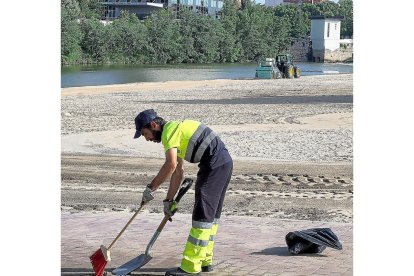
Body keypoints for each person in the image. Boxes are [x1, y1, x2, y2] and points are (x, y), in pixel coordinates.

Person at [134, 109, 233, 276]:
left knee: (202, 216)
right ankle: (204, 260)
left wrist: (151, 188)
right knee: (211, 217)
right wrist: (168, 200)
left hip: (214, 165)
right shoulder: (175, 132)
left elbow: (170, 165)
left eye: (145, 134)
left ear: (153, 125)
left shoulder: (169, 131)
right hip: (224, 163)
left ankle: (190, 267)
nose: (147, 139)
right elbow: (178, 172)